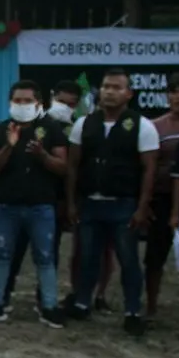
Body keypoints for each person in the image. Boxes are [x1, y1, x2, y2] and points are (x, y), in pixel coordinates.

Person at [65, 68, 158, 336]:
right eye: (106, 86)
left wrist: (142, 207)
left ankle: (132, 312)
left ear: (128, 94)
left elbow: (149, 170)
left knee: (128, 260)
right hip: (90, 204)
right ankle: (82, 303)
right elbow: (73, 166)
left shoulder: (142, 126)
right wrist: (71, 203)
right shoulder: (84, 123)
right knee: (88, 258)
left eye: (117, 87)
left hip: (124, 206)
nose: (109, 92)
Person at [0, 80, 67, 328]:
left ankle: (49, 306)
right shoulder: (1, 129)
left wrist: (42, 155)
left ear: (39, 103)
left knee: (45, 256)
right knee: (2, 255)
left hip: (41, 207)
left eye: (27, 101)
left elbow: (63, 167)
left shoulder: (51, 128)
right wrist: (9, 145)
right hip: (7, 205)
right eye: (17, 100)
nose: (22, 105)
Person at [49, 81, 116, 312]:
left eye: (71, 103)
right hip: (66, 196)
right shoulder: (49, 124)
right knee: (80, 249)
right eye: (62, 101)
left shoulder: (91, 127)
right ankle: (77, 293)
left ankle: (100, 294)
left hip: (97, 194)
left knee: (106, 250)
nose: (66, 107)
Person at [145, 72, 179, 320]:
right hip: (161, 198)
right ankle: (150, 307)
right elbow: (146, 167)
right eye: (174, 91)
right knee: (154, 258)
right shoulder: (155, 127)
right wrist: (144, 201)